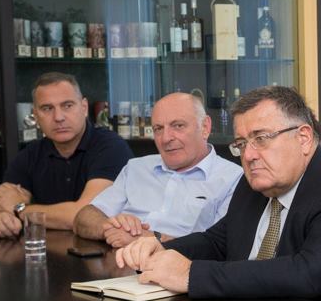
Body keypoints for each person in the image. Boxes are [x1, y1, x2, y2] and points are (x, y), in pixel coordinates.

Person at [116, 86, 321, 299]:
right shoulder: (258, 183)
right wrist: (161, 250)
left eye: (261, 139)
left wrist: (190, 274)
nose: (248, 155)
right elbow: (218, 241)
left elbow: (310, 275)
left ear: (304, 138)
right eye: (241, 143)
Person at [73, 92, 241, 248]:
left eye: (178, 126)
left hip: (180, 267)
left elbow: (220, 247)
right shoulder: (135, 168)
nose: (166, 138)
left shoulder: (233, 179)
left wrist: (149, 239)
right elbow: (84, 217)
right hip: (115, 261)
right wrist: (112, 228)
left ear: (205, 127)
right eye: (158, 129)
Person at [0, 73, 131, 238]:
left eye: (67, 106)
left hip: (106, 251)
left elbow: (83, 216)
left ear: (84, 108)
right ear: (35, 115)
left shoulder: (110, 147)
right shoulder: (31, 154)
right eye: (47, 108)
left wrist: (19, 209)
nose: (58, 117)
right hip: (43, 250)